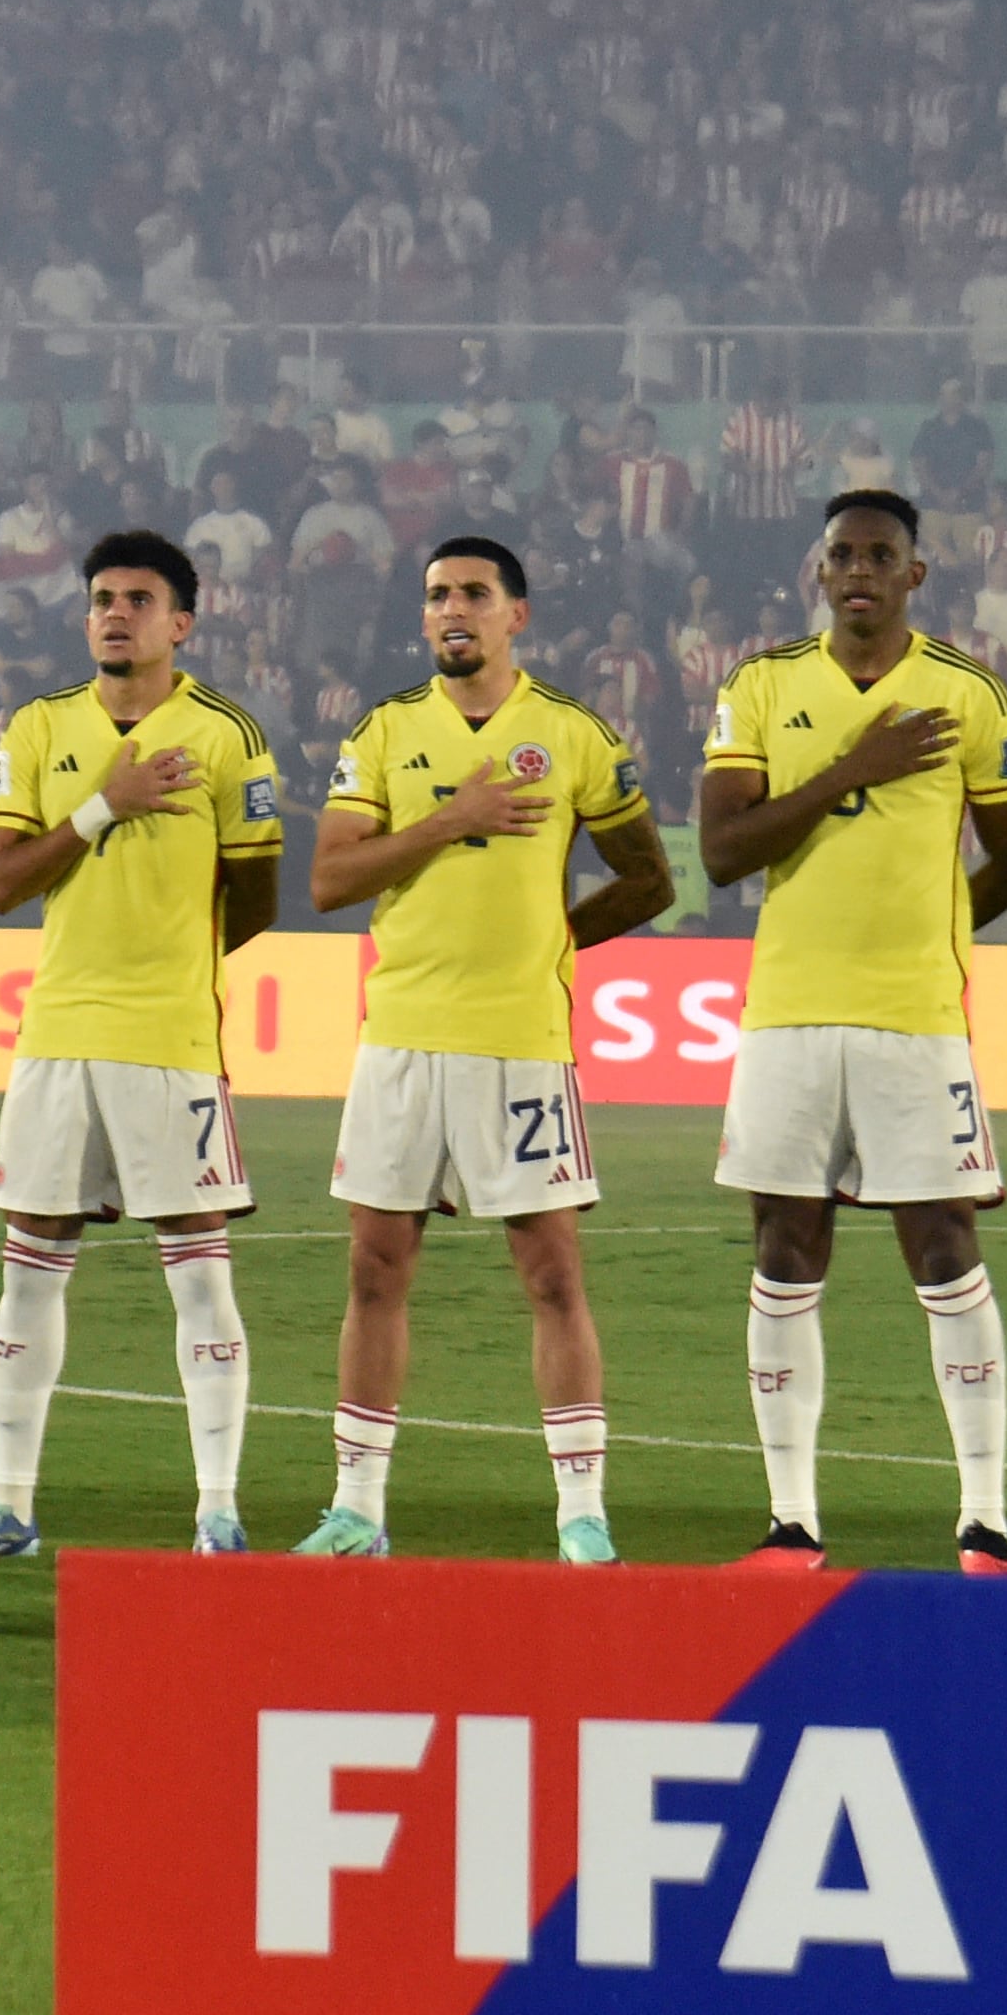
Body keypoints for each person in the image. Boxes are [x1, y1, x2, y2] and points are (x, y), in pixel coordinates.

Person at [300, 535, 677, 1559]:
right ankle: (356, 1509)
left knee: (551, 1272)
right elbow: (330, 880)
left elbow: (648, 877)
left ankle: (582, 1516)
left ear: (516, 613)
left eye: (472, 591)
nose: (450, 608)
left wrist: (555, 937)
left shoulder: (569, 733)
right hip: (402, 1037)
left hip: (518, 1040)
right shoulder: (385, 732)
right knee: (374, 1270)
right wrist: (450, 819)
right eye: (434, 595)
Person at [695, 492, 1007, 1571]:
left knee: (942, 1242)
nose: (856, 570)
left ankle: (982, 1517)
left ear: (914, 574)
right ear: (818, 570)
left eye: (877, 555)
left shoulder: (970, 693)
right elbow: (720, 850)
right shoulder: (758, 685)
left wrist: (930, 931)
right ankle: (789, 1518)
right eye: (839, 553)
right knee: (783, 1247)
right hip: (787, 1014)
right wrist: (850, 770)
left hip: (914, 1019)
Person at [0, 531, 285, 1560]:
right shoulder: (40, 727)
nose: (114, 612)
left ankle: (216, 1510)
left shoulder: (227, 736)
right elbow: (0, 883)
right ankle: (6, 1504)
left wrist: (168, 955)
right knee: (29, 1269)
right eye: (100, 597)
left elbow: (256, 894)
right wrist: (103, 806)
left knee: (198, 1274)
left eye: (137, 597)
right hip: (54, 1033)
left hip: (167, 1037)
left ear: (182, 619)